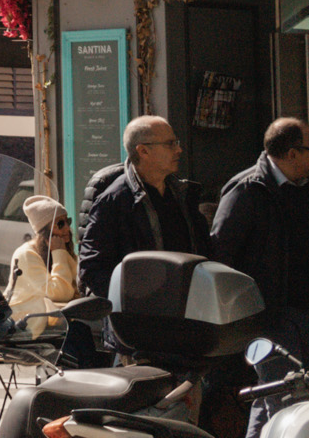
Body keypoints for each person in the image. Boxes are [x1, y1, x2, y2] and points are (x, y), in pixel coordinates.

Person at [212, 118, 309, 438]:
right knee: (289, 402)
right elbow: (220, 252)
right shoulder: (248, 189)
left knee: (274, 398)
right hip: (268, 319)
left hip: (305, 313)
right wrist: (244, 314)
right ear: (291, 154)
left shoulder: (306, 186)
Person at [79, 115, 211, 304]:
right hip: (141, 320)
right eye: (170, 144)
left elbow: (205, 251)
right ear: (143, 151)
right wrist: (133, 303)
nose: (179, 150)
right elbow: (93, 268)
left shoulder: (183, 194)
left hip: (188, 311)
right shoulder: (114, 200)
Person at [6, 195, 78, 319]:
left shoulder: (61, 249)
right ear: (45, 231)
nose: (67, 228)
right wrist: (59, 253)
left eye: (68, 221)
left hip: (55, 321)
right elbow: (61, 293)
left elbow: (78, 283)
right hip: (26, 324)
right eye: (60, 224)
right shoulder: (27, 254)